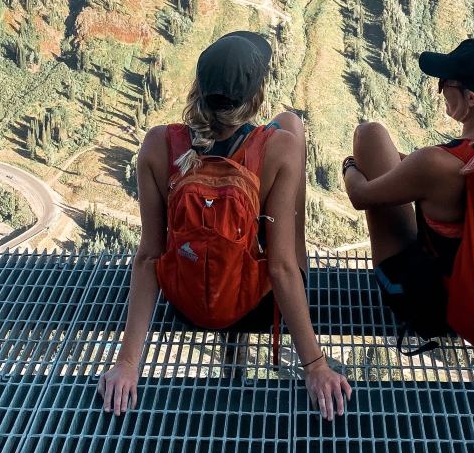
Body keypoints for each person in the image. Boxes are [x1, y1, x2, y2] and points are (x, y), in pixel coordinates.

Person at [97, 29, 352, 420]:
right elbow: (282, 267)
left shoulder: (157, 145)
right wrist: (315, 366)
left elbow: (149, 255)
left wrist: (128, 364)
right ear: (256, 98)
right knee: (291, 126)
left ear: (197, 90)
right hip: (257, 306)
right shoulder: (279, 148)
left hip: (185, 303)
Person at [341, 38, 474, 344]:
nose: (440, 88)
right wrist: (410, 165)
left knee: (369, 135)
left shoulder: (438, 164)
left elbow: (360, 196)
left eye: (445, 83)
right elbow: (422, 173)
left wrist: (350, 166)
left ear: (471, 99)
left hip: (434, 310)